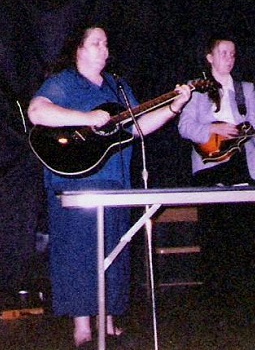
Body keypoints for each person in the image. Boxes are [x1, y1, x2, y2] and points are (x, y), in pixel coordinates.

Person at [27, 25, 191, 348]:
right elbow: (37, 111)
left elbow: (138, 127)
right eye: (96, 43)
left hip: (116, 182)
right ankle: (82, 327)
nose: (104, 48)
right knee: (78, 253)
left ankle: (109, 319)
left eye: (106, 43)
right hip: (76, 183)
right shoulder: (64, 82)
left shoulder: (118, 87)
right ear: (79, 50)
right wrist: (85, 118)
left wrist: (174, 107)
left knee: (114, 251)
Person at [177, 36, 255, 311]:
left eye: (232, 54)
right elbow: (185, 128)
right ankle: (217, 304)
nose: (229, 58)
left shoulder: (246, 89)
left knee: (248, 237)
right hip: (213, 166)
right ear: (209, 57)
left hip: (245, 166)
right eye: (223, 53)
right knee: (217, 237)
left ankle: (251, 303)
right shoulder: (198, 88)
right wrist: (213, 129)